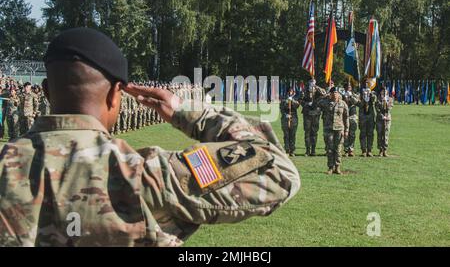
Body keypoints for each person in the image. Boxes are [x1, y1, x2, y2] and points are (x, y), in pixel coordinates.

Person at [0, 28, 300, 247]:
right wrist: (188, 113)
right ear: (116, 94)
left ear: (47, 91)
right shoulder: (146, 175)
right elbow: (277, 170)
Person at [317, 87, 349, 175]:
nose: (335, 94)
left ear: (339, 94)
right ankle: (330, 167)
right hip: (328, 129)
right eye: (333, 93)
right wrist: (325, 97)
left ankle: (337, 167)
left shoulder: (343, 104)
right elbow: (317, 104)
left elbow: (346, 118)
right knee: (329, 149)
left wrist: (346, 130)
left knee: (338, 149)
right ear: (330, 94)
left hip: (339, 129)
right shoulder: (325, 102)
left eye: (336, 93)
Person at [300, 78, 327, 156]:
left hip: (316, 114)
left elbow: (324, 94)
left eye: (314, 82)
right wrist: (306, 104)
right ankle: (308, 150)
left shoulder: (318, 90)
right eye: (311, 82)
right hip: (307, 113)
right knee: (307, 132)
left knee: (314, 132)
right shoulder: (305, 90)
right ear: (309, 82)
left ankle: (313, 150)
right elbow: (300, 100)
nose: (312, 83)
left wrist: (316, 87)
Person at [358, 80, 377, 157]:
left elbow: (374, 100)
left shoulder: (372, 93)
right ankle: (363, 150)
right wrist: (363, 97)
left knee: (370, 134)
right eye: (365, 83)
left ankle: (369, 150)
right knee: (363, 134)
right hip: (363, 116)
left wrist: (370, 94)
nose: (366, 84)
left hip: (370, 116)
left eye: (368, 83)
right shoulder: (360, 93)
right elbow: (358, 104)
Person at [280, 88, 300, 156]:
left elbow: (297, 106)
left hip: (293, 119)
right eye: (289, 91)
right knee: (286, 135)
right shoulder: (283, 99)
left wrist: (292, 101)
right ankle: (287, 149)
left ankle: (292, 150)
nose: (290, 92)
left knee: (292, 135)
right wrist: (286, 115)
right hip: (285, 119)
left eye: (292, 91)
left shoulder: (296, 98)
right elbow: (281, 108)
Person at [342, 83, 360, 157]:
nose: (348, 88)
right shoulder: (341, 95)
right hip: (344, 116)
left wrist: (351, 96)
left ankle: (351, 149)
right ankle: (346, 149)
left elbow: (357, 103)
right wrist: (345, 96)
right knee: (345, 133)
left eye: (350, 86)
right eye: (347, 86)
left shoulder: (355, 95)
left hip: (353, 116)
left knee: (352, 134)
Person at [375, 87, 394, 157]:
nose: (384, 92)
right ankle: (380, 150)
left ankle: (385, 150)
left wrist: (386, 101)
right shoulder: (377, 100)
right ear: (381, 92)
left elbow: (389, 108)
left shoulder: (390, 99)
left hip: (387, 120)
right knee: (379, 135)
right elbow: (377, 109)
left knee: (386, 135)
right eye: (383, 91)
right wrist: (382, 116)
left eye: (385, 91)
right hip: (380, 119)